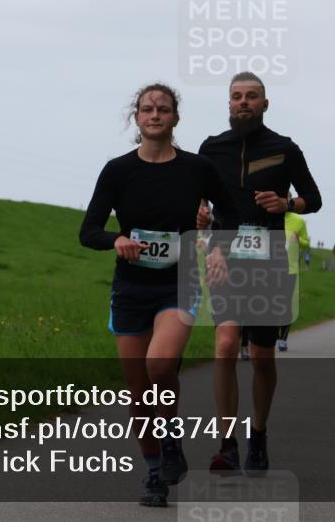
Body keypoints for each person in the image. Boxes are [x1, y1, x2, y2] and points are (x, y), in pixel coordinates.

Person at [79, 84, 238, 507]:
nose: (155, 115)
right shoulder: (117, 170)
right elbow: (88, 230)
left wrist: (218, 245)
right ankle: (154, 473)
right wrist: (116, 240)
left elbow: (231, 212)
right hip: (130, 287)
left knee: (160, 364)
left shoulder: (196, 168)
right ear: (137, 118)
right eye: (147, 109)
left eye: (163, 109)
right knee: (138, 392)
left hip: (178, 281)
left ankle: (170, 439)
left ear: (175, 118)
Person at [196, 72, 322, 477]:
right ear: (228, 103)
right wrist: (197, 213)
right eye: (237, 97)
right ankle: (226, 443)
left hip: (268, 263)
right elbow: (196, 201)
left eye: (252, 97)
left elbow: (314, 200)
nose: (243, 103)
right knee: (226, 345)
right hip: (224, 259)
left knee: (263, 357)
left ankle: (259, 434)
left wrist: (287, 203)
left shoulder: (284, 149)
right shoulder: (211, 148)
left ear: (265, 104)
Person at [277, 209, 309, 351]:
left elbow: (306, 243)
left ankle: (282, 338)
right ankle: (270, 334)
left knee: (285, 303)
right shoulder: (269, 217)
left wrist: (298, 239)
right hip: (271, 269)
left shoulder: (298, 220)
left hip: (291, 269)